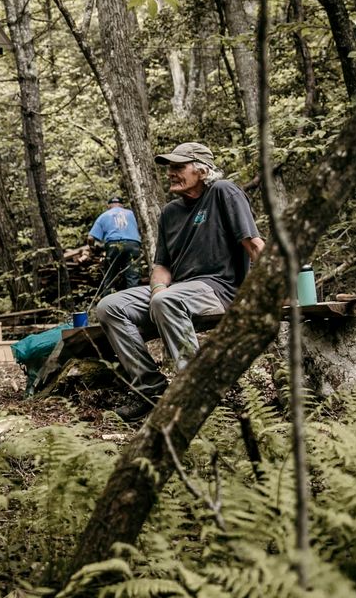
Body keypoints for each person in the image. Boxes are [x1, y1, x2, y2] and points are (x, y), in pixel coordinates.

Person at [92, 142, 265, 422]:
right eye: (169, 167)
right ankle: (151, 390)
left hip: (221, 289)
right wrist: (157, 289)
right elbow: (161, 266)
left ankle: (197, 394)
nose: (171, 173)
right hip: (177, 292)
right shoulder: (170, 212)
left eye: (178, 167)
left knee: (165, 299)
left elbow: (254, 244)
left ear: (202, 170)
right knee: (110, 306)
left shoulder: (223, 192)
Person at [87, 196, 143, 292]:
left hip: (114, 245)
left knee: (110, 277)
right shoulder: (133, 214)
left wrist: (92, 248)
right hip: (133, 244)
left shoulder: (104, 216)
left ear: (108, 205)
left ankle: (108, 301)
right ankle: (134, 302)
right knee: (133, 277)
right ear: (122, 205)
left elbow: (90, 238)